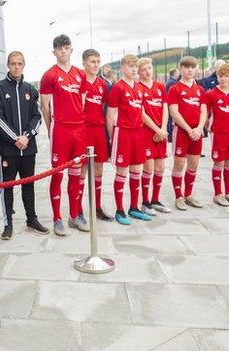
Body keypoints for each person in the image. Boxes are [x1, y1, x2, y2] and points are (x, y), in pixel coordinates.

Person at [0, 51, 49, 240]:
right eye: (13, 63)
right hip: (8, 150)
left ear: (24, 65)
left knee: (29, 186)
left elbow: (37, 117)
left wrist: (27, 136)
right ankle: (8, 224)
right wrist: (15, 138)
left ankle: (31, 219)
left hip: (28, 149)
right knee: (7, 187)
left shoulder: (31, 90)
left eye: (20, 64)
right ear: (8, 65)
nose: (16, 67)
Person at [39, 34, 89, 235]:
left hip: (79, 129)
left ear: (71, 49)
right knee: (57, 175)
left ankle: (74, 216)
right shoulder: (49, 75)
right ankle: (57, 218)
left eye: (66, 47)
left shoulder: (80, 74)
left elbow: (82, 102)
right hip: (60, 129)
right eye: (59, 48)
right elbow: (44, 106)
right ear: (54, 51)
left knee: (76, 174)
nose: (63, 51)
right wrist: (52, 130)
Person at [106, 54, 152, 225]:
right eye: (130, 66)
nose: (133, 69)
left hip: (138, 133)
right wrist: (114, 138)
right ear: (122, 68)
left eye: (135, 66)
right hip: (123, 133)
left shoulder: (139, 88)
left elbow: (140, 112)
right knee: (122, 173)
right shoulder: (117, 88)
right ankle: (120, 210)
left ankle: (134, 207)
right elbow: (110, 117)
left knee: (136, 171)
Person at [167, 56, 208, 210]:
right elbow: (174, 112)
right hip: (182, 131)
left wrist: (199, 128)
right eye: (186, 67)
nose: (190, 70)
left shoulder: (199, 89)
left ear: (196, 68)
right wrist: (189, 129)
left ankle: (188, 194)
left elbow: (203, 110)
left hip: (196, 132)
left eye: (192, 67)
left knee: (194, 163)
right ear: (181, 69)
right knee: (179, 163)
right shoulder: (175, 89)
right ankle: (178, 196)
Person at [79, 48, 113, 221]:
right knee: (82, 170)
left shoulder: (103, 85)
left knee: (99, 169)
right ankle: (78, 210)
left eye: (98, 62)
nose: (96, 65)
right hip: (83, 130)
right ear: (84, 62)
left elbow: (110, 110)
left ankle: (97, 207)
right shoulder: (79, 81)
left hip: (99, 130)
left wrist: (112, 135)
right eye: (92, 61)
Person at [138, 57, 172, 215]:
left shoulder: (160, 86)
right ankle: (145, 202)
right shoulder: (137, 88)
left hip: (161, 132)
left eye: (149, 68)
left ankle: (155, 199)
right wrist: (156, 130)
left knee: (160, 167)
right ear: (139, 71)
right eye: (144, 69)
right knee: (148, 167)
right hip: (146, 133)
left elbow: (165, 108)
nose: (148, 71)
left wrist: (163, 128)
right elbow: (141, 113)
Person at [205, 63, 229, 206]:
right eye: (221, 76)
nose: (223, 79)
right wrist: (208, 126)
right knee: (218, 162)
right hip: (219, 134)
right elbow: (205, 114)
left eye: (226, 76)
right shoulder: (211, 94)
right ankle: (217, 194)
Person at [166, 68, 180, 142]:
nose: (179, 74)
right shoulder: (172, 82)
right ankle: (171, 137)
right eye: (177, 72)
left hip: (170, 103)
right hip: (171, 103)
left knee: (170, 120)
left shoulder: (172, 81)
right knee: (171, 120)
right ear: (174, 73)